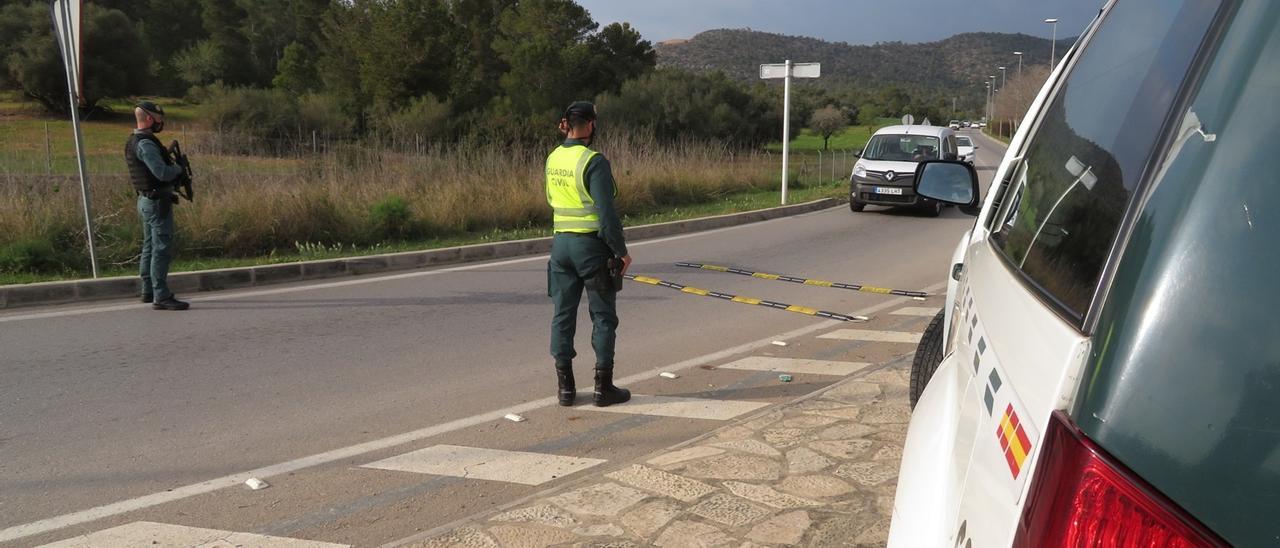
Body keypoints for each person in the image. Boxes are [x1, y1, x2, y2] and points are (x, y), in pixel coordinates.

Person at [546, 101, 632, 407]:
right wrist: (620, 252)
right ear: (592, 125)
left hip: (560, 248)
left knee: (563, 315)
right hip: (591, 249)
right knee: (604, 317)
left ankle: (565, 389)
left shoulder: (553, 157)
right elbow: (606, 213)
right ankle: (602, 388)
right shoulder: (593, 161)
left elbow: (551, 199)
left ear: (566, 124)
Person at [125, 101, 189, 310]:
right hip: (156, 203)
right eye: (159, 118)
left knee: (149, 246)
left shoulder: (134, 141)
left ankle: (148, 290)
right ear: (151, 119)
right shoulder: (146, 144)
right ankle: (161, 295)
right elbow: (161, 172)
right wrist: (178, 170)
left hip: (147, 200)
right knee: (160, 248)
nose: (162, 122)